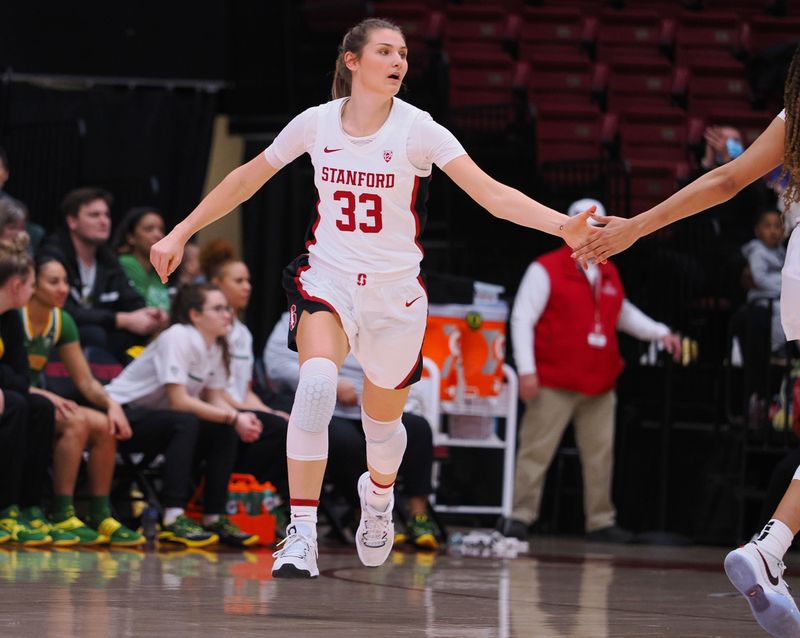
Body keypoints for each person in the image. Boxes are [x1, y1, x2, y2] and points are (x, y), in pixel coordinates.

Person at [150, 17, 596, 579]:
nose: (399, 62)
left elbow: (491, 195)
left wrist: (563, 226)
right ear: (352, 60)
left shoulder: (419, 130)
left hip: (395, 297)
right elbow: (245, 178)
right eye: (386, 51)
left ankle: (378, 499)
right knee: (314, 382)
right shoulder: (315, 124)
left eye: (404, 53)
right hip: (327, 279)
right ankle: (301, 532)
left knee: (382, 430)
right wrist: (180, 231)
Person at [572, 44, 800, 638]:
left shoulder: (795, 112)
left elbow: (725, 180)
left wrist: (636, 228)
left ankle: (771, 548)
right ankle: (771, 549)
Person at [500, 198, 682, 544]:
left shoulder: (609, 271)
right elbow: (522, 318)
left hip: (599, 383)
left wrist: (660, 332)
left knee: (600, 455)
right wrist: (526, 370)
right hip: (553, 379)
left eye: (599, 227)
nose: (593, 233)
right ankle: (520, 516)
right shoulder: (547, 268)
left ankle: (600, 521)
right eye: (588, 225)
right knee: (536, 451)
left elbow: (623, 313)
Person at [104, 283, 262, 547]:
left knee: (222, 428)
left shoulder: (215, 346)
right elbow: (179, 401)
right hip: (120, 414)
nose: (228, 315)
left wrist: (240, 418)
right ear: (195, 314)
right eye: (218, 308)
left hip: (162, 422)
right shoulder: (178, 336)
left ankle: (214, 515)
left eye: (227, 309)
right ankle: (173, 517)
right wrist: (234, 417)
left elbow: (213, 398)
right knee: (187, 421)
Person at [264, 311, 438, 549]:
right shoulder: (307, 308)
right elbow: (276, 365)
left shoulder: (377, 313)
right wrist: (331, 382)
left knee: (418, 429)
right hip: (328, 406)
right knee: (346, 441)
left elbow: (397, 365)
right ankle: (364, 514)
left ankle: (419, 516)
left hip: (369, 402)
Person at [22, 254, 144, 546]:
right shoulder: (16, 314)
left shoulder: (62, 320)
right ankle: (62, 511)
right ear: (33, 284)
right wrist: (47, 395)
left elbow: (87, 382)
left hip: (40, 400)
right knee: (76, 421)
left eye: (65, 281)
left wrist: (112, 406)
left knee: (104, 425)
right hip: (22, 397)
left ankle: (100, 513)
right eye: (53, 282)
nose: (63, 288)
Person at [198, 238, 290, 498]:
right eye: (238, 281)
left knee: (290, 425)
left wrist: (269, 411)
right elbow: (210, 391)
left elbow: (245, 390)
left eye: (248, 281)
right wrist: (244, 413)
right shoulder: (211, 328)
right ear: (217, 285)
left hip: (238, 406)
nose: (247, 287)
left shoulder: (244, 333)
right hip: (215, 408)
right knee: (277, 430)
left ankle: (263, 501)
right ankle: (231, 495)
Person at [38, 187, 166, 363]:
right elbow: (63, 310)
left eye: (106, 215)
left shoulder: (107, 258)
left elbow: (130, 298)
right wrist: (120, 319)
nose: (104, 221)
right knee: (95, 334)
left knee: (139, 336)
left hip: (100, 334)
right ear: (72, 221)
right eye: (94, 215)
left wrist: (149, 314)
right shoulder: (53, 255)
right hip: (54, 332)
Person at [0, 233, 60, 546]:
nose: (33, 291)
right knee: (15, 404)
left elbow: (22, 376)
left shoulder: (10, 319)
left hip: (7, 393)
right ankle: (4, 505)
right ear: (15, 285)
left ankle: (28, 506)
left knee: (40, 407)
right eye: (32, 284)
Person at [741, 209, 787, 354]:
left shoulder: (782, 252)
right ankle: (777, 348)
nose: (773, 231)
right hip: (762, 299)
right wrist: (784, 287)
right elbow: (759, 279)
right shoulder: (757, 251)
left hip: (777, 297)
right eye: (767, 226)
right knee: (782, 312)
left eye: (777, 226)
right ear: (757, 230)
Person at [112, 207, 171, 313]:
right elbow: (141, 307)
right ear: (131, 237)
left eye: (161, 230)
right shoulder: (126, 263)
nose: (158, 235)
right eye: (149, 229)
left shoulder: (158, 269)